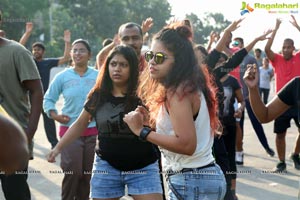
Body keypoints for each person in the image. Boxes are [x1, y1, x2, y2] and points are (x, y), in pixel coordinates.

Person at [124, 22, 226, 199]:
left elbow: (187, 145)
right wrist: (153, 126)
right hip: (200, 178)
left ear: (178, 62)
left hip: (192, 180)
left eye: (160, 57)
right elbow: (182, 134)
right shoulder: (188, 86)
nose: (152, 62)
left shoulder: (178, 91)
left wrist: (142, 131)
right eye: (150, 55)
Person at [47, 45, 163, 200]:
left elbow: (160, 125)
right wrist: (58, 148)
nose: (117, 69)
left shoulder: (143, 95)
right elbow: (80, 124)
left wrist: (149, 122)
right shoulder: (98, 95)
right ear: (107, 66)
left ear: (133, 68)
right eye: (113, 64)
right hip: (107, 166)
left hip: (143, 167)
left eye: (123, 65)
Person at [44, 39, 98, 200]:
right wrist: (54, 115)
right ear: (70, 54)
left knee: (88, 175)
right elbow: (48, 99)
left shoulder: (97, 76)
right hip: (69, 130)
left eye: (81, 50)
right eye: (74, 50)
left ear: (89, 55)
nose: (77, 53)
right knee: (73, 172)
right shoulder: (63, 76)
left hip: (93, 131)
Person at [0, 8, 44, 200]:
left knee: (15, 192)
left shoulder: (16, 52)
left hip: (11, 140)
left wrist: (28, 133)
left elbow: (36, 91)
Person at [264, 16, 300, 172]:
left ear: (293, 48)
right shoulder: (276, 59)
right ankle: (281, 162)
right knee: (280, 134)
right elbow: (267, 49)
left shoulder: (298, 58)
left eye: (288, 47)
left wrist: (298, 27)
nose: (286, 49)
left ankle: (296, 154)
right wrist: (276, 29)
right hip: (281, 103)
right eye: (284, 47)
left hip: (298, 102)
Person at [232, 37, 275, 165]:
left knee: (256, 123)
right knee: (239, 126)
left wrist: (253, 94)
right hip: (237, 98)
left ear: (243, 44)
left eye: (237, 43)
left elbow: (255, 78)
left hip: (248, 97)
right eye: (233, 43)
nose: (235, 45)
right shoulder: (232, 60)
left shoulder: (249, 59)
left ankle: (266, 147)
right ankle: (239, 151)